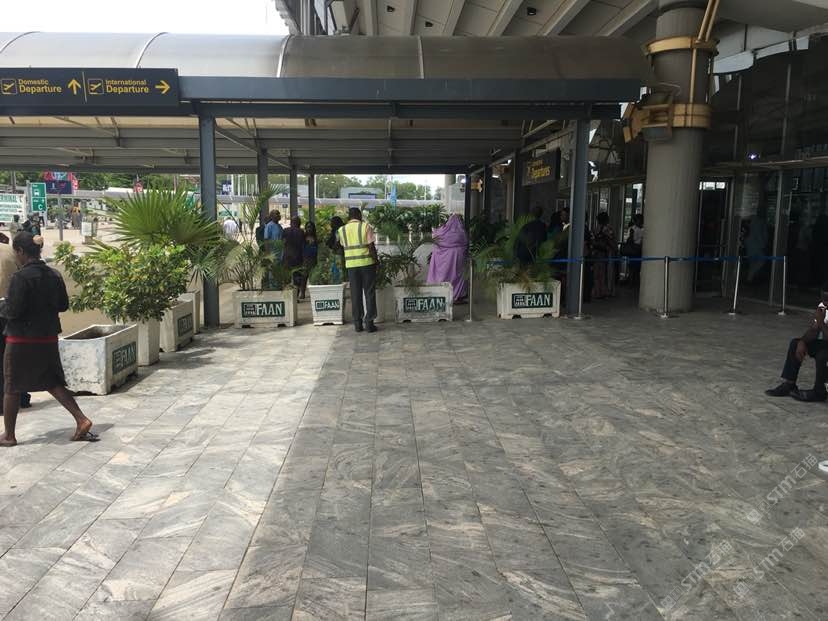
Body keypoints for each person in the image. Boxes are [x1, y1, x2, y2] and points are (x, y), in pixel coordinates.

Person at [0, 233, 96, 447]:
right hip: (48, 338)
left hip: (21, 340)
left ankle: (9, 435)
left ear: (21, 251)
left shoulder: (20, 278)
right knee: (52, 381)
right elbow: (63, 305)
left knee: (12, 385)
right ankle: (81, 419)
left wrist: (3, 305)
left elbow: (13, 311)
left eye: (16, 253)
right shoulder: (54, 274)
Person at [765, 283, 828, 402]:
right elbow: (814, 330)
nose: (825, 303)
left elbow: (822, 329)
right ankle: (789, 384)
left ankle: (819, 392)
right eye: (823, 299)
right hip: (825, 342)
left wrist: (821, 323)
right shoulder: (823, 307)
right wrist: (802, 341)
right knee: (795, 343)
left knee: (823, 355)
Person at [338, 207, 378, 333]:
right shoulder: (365, 227)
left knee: (355, 294)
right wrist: (376, 261)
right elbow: (371, 247)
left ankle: (358, 324)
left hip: (351, 265)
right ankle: (369, 323)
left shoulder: (342, 230)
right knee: (369, 292)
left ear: (349, 217)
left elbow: (342, 247)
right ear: (359, 215)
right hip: (367, 264)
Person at [427, 214, 468, 303]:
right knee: (456, 276)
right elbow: (465, 243)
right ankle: (457, 295)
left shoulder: (442, 231)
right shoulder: (460, 233)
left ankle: (439, 293)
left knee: (441, 275)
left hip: (440, 259)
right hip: (456, 258)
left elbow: (434, 237)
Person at [591, 212, 615, 299]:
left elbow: (593, 241)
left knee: (598, 274)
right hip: (605, 254)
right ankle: (604, 291)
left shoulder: (596, 229)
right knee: (605, 274)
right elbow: (612, 241)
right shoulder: (608, 229)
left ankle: (599, 292)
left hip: (599, 254)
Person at [283, 216, 305, 291]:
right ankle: (296, 294)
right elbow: (303, 244)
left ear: (291, 222)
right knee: (297, 277)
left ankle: (288, 293)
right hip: (297, 257)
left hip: (287, 257)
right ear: (299, 223)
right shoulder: (301, 232)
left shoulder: (285, 230)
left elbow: (283, 242)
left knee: (287, 277)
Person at [301, 221, 319, 301]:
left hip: (313, 260)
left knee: (313, 277)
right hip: (305, 259)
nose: (309, 229)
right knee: (304, 277)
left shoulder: (316, 238)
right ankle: (302, 293)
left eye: (311, 227)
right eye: (308, 227)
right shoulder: (303, 237)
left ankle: (314, 294)